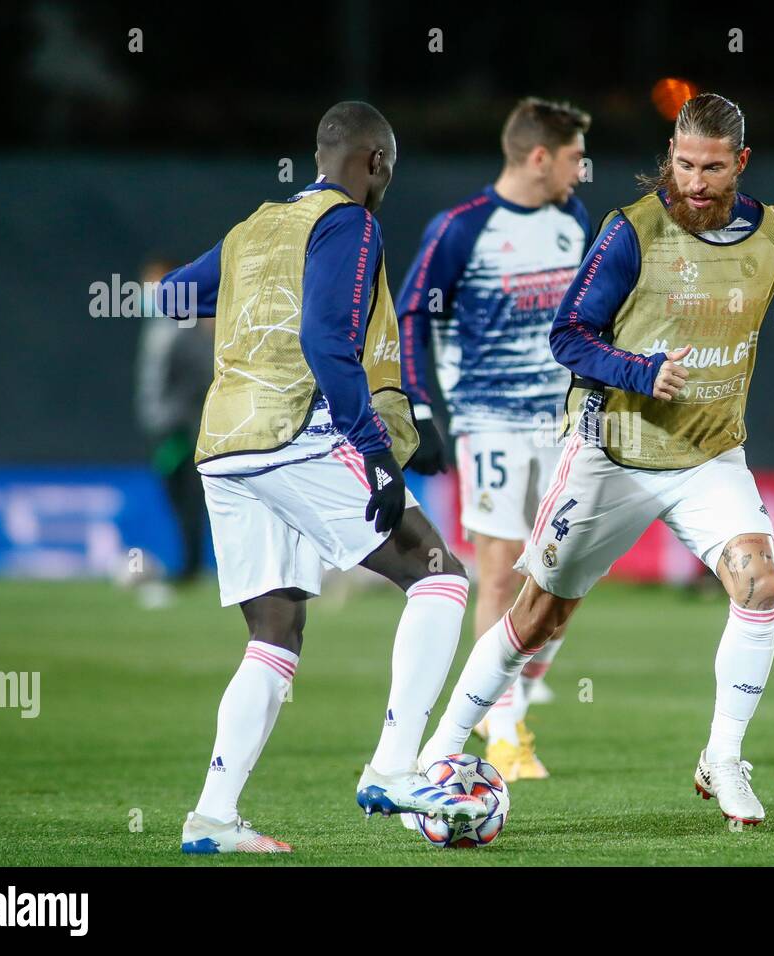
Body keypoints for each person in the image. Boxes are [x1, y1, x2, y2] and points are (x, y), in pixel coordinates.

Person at [419, 92, 774, 826]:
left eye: (713, 168)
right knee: (538, 618)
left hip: (709, 454)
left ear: (740, 162)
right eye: (684, 165)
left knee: (761, 583)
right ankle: (437, 754)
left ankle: (723, 755)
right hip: (613, 451)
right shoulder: (630, 233)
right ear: (669, 158)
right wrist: (641, 371)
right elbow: (569, 336)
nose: (697, 183)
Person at [158, 101, 487, 854]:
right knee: (439, 575)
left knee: (275, 634)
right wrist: (374, 448)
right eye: (390, 167)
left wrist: (250, 303)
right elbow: (323, 338)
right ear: (373, 161)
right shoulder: (352, 224)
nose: (389, 180)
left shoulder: (252, 230)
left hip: (224, 443)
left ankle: (212, 816)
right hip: (294, 431)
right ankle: (394, 768)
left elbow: (172, 295)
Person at [396, 97, 591, 780]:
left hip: (567, 426)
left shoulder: (573, 220)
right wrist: (419, 410)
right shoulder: (461, 229)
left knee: (565, 582)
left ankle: (502, 690)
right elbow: (410, 314)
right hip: (493, 423)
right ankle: (505, 734)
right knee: (503, 572)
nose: (581, 169)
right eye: (573, 157)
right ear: (539, 157)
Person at [134, 256, 214, 585]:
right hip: (162, 426)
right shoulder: (159, 328)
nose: (148, 290)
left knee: (187, 496)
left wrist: (183, 419)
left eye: (156, 281)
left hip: (180, 429)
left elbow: (201, 374)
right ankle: (190, 564)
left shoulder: (184, 326)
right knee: (177, 496)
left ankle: (192, 567)